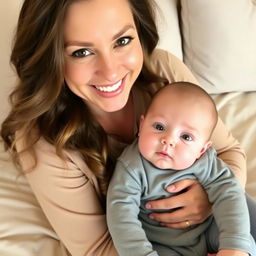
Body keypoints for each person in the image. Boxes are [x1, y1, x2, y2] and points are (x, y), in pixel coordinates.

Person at [0, 0, 255, 255]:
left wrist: (211, 201)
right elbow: (99, 247)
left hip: (220, 222)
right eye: (81, 52)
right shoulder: (44, 139)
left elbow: (228, 153)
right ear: (50, 58)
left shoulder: (164, 71)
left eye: (122, 41)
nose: (110, 72)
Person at [107, 82, 256, 256]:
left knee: (246, 243)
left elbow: (229, 195)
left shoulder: (205, 161)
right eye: (159, 127)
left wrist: (234, 246)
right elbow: (122, 218)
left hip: (208, 230)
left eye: (186, 136)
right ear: (142, 125)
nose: (168, 140)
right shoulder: (132, 167)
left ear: (202, 149)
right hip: (163, 244)